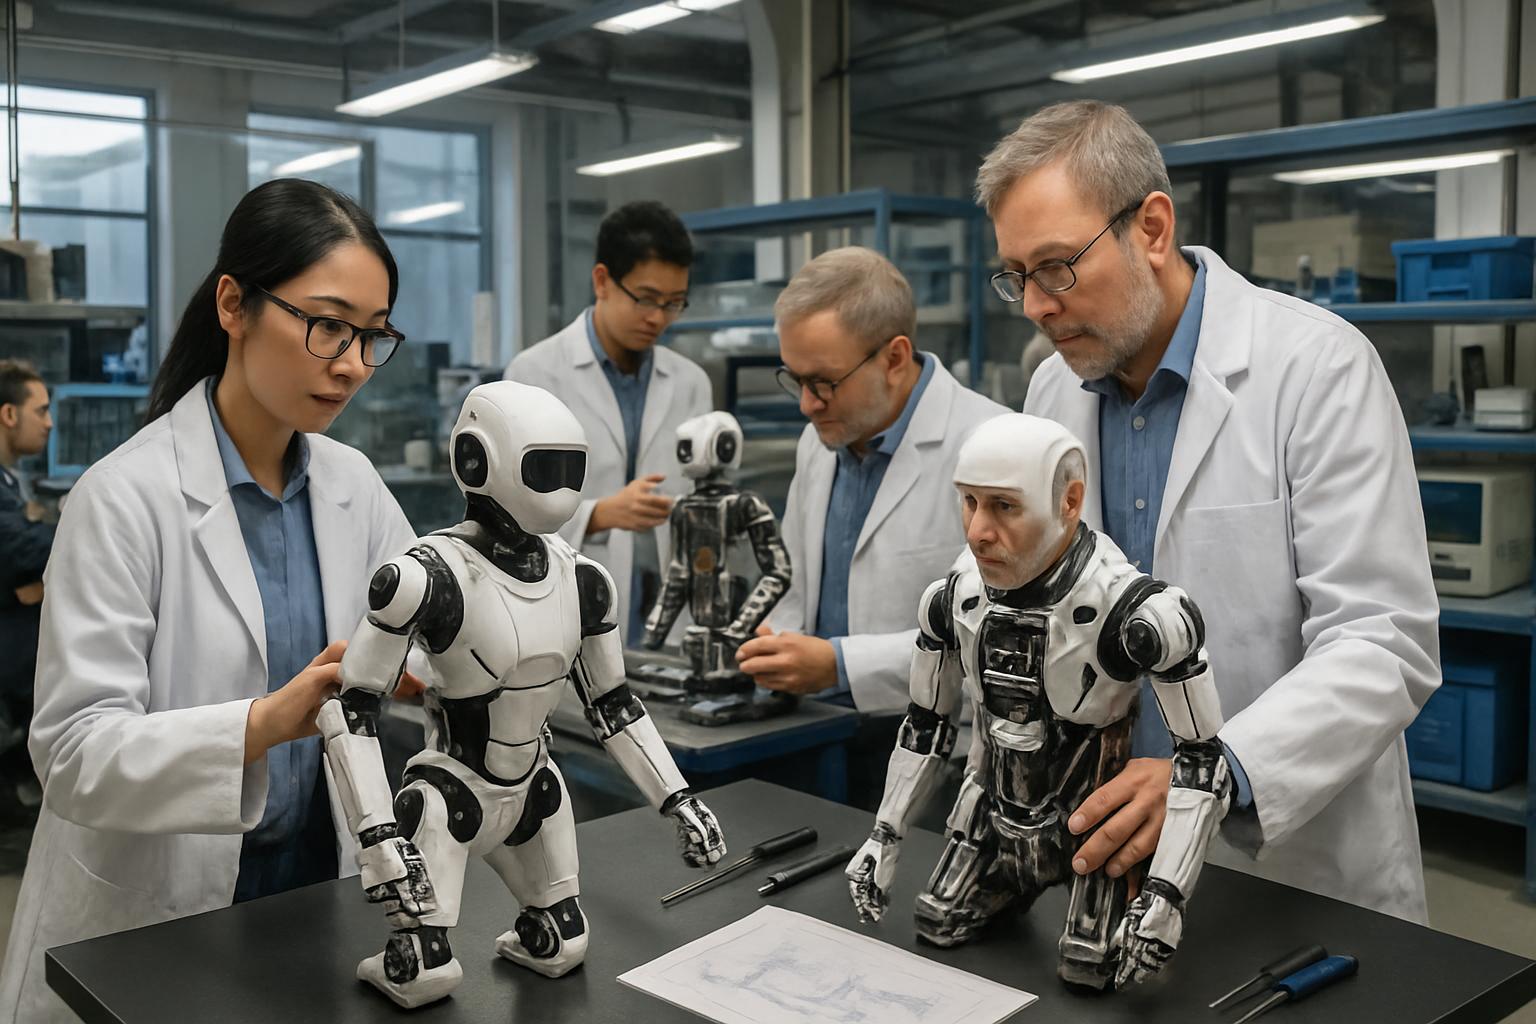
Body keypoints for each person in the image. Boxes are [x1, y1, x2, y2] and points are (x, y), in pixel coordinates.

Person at [982, 100, 1439, 921]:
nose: (1035, 307)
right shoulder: (1052, 391)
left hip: (1288, 866)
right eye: (1016, 277)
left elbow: (1384, 641)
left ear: (1152, 228)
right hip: (1104, 855)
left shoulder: (1316, 369)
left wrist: (1213, 771)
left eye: (1056, 267)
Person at [0, 178, 424, 1022]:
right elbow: (75, 754)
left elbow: (424, 625)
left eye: (372, 337)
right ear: (235, 303)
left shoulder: (355, 485)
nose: (350, 364)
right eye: (327, 324)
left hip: (318, 887)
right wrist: (265, 721)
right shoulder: (123, 498)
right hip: (156, 915)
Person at [736, 247, 1005, 802]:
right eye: (795, 380)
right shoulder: (823, 439)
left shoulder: (991, 447)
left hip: (938, 756)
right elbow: (798, 579)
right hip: (819, 732)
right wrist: (774, 641)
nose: (807, 405)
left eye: (824, 382)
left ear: (895, 357)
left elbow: (995, 637)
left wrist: (837, 666)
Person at [505, 200, 713, 644]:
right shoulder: (535, 373)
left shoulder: (691, 382)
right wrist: (600, 514)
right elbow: (507, 513)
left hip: (670, 609)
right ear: (602, 281)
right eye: (646, 298)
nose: (658, 317)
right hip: (568, 603)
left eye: (674, 303)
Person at [0, 359, 54, 803]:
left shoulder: (12, 484)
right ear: (9, 414)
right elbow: (23, 550)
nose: (50, 422)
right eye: (41, 410)